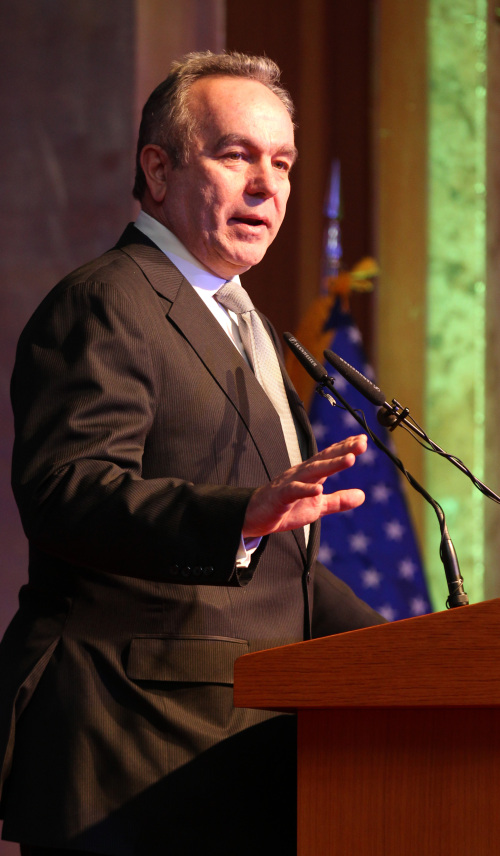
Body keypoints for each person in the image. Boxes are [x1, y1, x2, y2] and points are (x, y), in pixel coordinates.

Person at [0, 51, 385, 856]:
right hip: (132, 749)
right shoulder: (107, 302)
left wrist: (417, 650)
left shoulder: (246, 323)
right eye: (237, 154)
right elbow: (68, 491)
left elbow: (281, 562)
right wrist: (236, 515)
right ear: (160, 168)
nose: (268, 186)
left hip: (239, 752)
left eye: (281, 162)